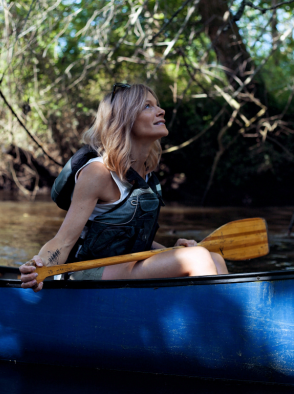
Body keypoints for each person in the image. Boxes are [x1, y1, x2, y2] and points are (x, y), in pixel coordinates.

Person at [19, 83, 228, 291]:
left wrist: (173, 251)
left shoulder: (145, 174)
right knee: (197, 258)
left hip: (123, 268)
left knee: (213, 257)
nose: (161, 111)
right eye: (147, 106)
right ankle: (212, 321)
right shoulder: (98, 172)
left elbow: (129, 239)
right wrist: (40, 266)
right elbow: (63, 241)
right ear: (124, 119)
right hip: (84, 275)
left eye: (157, 105)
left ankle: (223, 320)